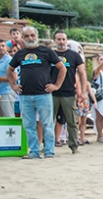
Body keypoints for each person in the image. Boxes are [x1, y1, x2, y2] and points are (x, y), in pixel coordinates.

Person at [6, 26, 66, 159]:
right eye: (26, 36)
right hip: (25, 95)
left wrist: (56, 85)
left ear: (36, 36)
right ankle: (34, 151)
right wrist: (13, 85)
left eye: (32, 35)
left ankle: (49, 151)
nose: (30, 38)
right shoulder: (20, 54)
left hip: (43, 94)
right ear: (23, 37)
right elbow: (9, 70)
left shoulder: (47, 51)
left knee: (47, 123)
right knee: (28, 125)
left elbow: (62, 69)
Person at [52, 30, 87, 154]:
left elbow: (82, 74)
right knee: (48, 121)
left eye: (63, 39)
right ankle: (48, 146)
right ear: (54, 40)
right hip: (52, 93)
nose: (61, 42)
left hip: (69, 93)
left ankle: (74, 146)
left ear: (66, 40)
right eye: (58, 39)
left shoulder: (74, 55)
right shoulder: (50, 54)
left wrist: (83, 92)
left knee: (72, 121)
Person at [0, 40, 14, 117]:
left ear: (6, 48)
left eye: (3, 46)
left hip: (6, 92)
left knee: (8, 117)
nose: (1, 48)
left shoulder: (9, 60)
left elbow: (14, 78)